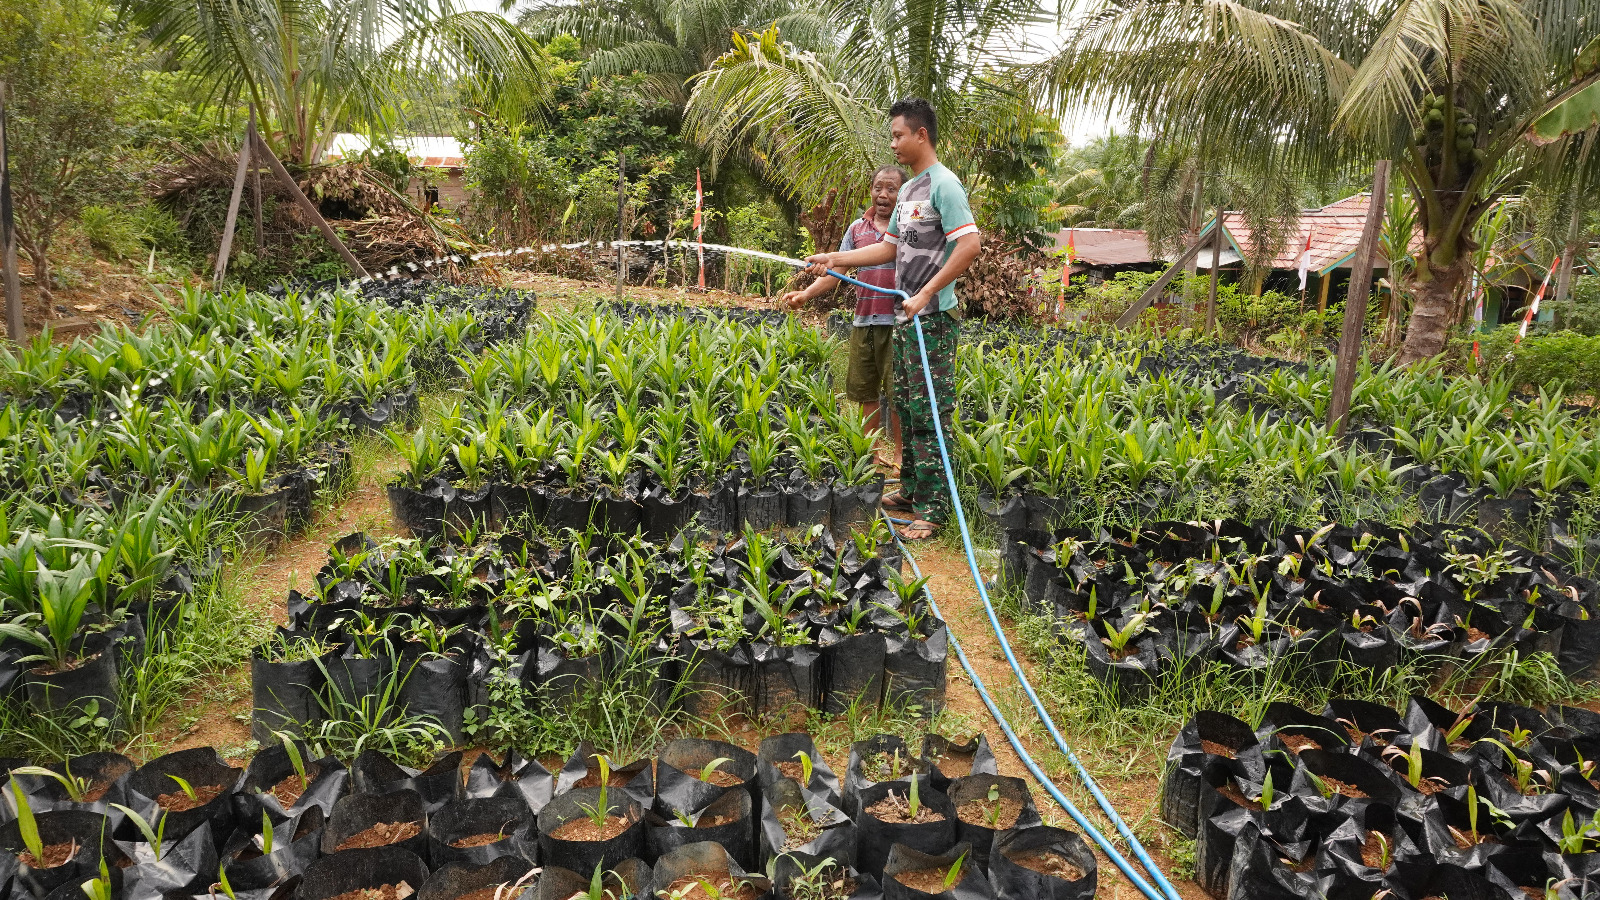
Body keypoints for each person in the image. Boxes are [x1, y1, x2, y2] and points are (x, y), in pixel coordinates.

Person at [803, 97, 981, 541]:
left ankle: (935, 509)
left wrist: (926, 292)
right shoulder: (908, 191)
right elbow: (889, 248)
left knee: (929, 413)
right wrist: (835, 257)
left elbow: (970, 245)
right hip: (907, 320)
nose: (894, 143)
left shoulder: (945, 185)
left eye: (899, 135)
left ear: (921, 135)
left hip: (933, 319)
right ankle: (914, 492)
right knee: (905, 405)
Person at [781, 164, 907, 472]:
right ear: (871, 191)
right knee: (865, 391)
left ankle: (903, 457)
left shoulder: (907, 228)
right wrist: (805, 295)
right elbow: (836, 273)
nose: (883, 194)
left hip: (898, 321)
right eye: (879, 187)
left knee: (898, 395)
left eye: (891, 189)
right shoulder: (856, 230)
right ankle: (873, 454)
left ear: (902, 195)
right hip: (864, 320)